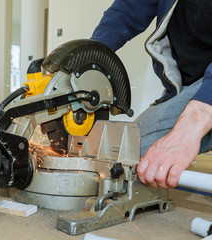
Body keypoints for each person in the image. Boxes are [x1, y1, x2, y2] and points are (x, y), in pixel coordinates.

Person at [91, 0, 212, 189]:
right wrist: (91, 52)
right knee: (132, 154)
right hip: (193, 83)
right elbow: (129, 7)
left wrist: (190, 128)